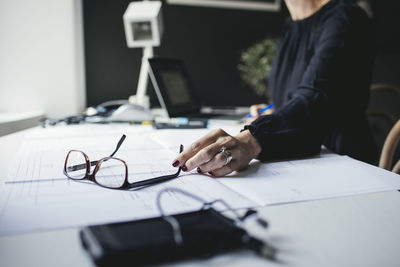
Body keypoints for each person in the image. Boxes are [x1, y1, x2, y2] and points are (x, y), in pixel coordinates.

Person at [171, 0, 377, 176]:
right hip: (301, 154)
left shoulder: (347, 18)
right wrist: (276, 110)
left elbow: (316, 100)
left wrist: (251, 140)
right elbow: (300, 94)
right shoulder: (292, 23)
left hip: (342, 161)